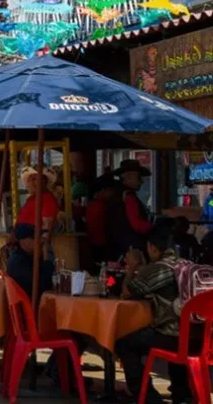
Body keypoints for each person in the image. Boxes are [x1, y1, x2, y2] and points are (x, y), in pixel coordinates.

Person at [116, 226, 195, 404]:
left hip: (173, 337)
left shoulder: (160, 268)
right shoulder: (186, 264)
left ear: (152, 247)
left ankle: (148, 398)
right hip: (198, 337)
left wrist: (132, 268)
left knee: (123, 344)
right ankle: (181, 394)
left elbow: (128, 292)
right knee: (175, 338)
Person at [106, 159, 153, 260]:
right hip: (131, 249)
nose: (141, 181)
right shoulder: (129, 197)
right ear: (129, 177)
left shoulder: (115, 194)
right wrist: (154, 227)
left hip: (117, 246)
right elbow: (137, 224)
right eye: (139, 177)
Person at [6, 223, 55, 299]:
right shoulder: (18, 262)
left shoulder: (30, 257)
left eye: (41, 236)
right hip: (34, 307)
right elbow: (45, 283)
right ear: (23, 241)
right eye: (35, 237)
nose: (42, 240)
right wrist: (46, 255)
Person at [15, 166, 60, 233]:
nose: (31, 183)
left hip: (30, 238)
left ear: (44, 181)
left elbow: (47, 224)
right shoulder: (31, 199)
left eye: (35, 179)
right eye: (30, 180)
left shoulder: (47, 198)